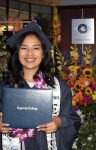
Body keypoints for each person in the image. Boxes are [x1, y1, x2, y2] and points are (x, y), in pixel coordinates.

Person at [0, 20, 81, 150]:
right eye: (24, 48)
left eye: (36, 48)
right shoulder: (4, 87)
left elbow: (72, 119)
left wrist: (58, 122)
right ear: (17, 53)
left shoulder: (59, 87)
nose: (29, 53)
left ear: (43, 53)